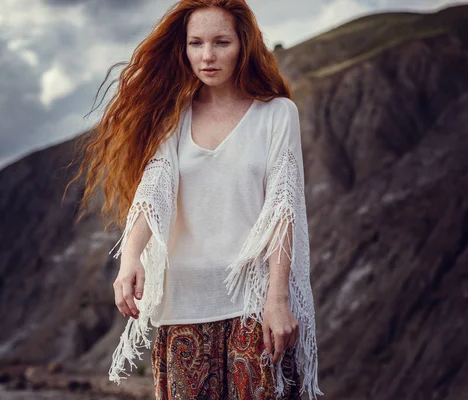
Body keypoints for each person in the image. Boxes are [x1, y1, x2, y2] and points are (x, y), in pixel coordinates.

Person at [68, 0, 323, 399]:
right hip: (183, 306)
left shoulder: (277, 114)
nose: (207, 56)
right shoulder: (171, 118)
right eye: (196, 43)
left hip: (253, 307)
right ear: (183, 48)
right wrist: (131, 257)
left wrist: (278, 299)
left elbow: (282, 210)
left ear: (244, 45)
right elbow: (153, 192)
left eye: (221, 42)